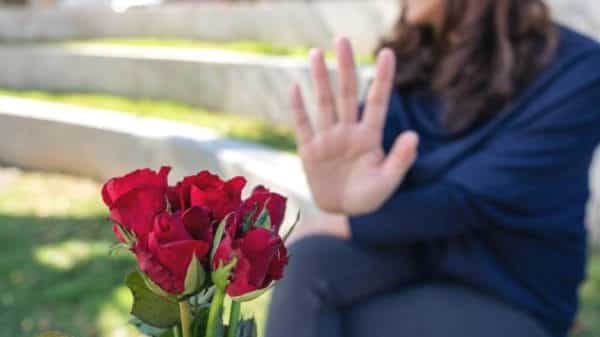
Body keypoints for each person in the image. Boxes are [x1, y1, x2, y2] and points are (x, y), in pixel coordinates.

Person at [265, 0, 600, 337]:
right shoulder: (414, 58)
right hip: (413, 253)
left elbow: (470, 201)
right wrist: (346, 195)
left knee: (344, 321)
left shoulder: (579, 70)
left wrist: (348, 223)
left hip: (507, 286)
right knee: (306, 262)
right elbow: (372, 165)